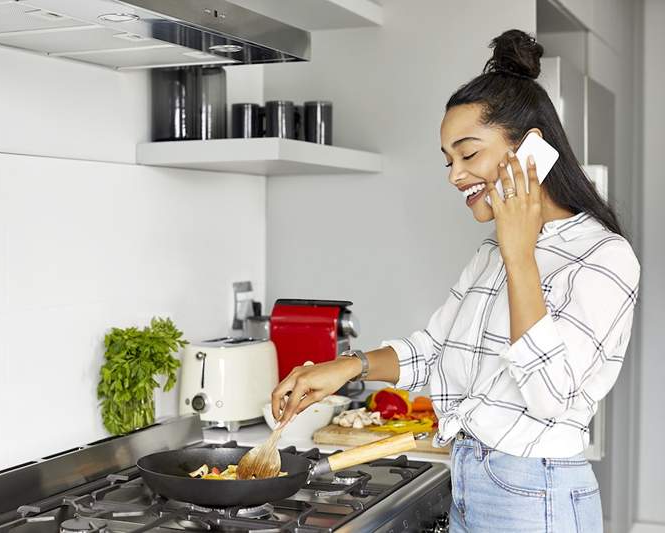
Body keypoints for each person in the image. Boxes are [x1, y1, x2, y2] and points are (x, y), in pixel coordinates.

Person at [270, 29, 640, 533]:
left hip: (536, 496)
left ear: (530, 150)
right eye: (448, 160)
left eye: (468, 154)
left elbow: (552, 395)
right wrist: (346, 367)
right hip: (472, 481)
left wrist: (519, 255)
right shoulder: (492, 251)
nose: (454, 175)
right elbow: (438, 351)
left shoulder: (602, 256)